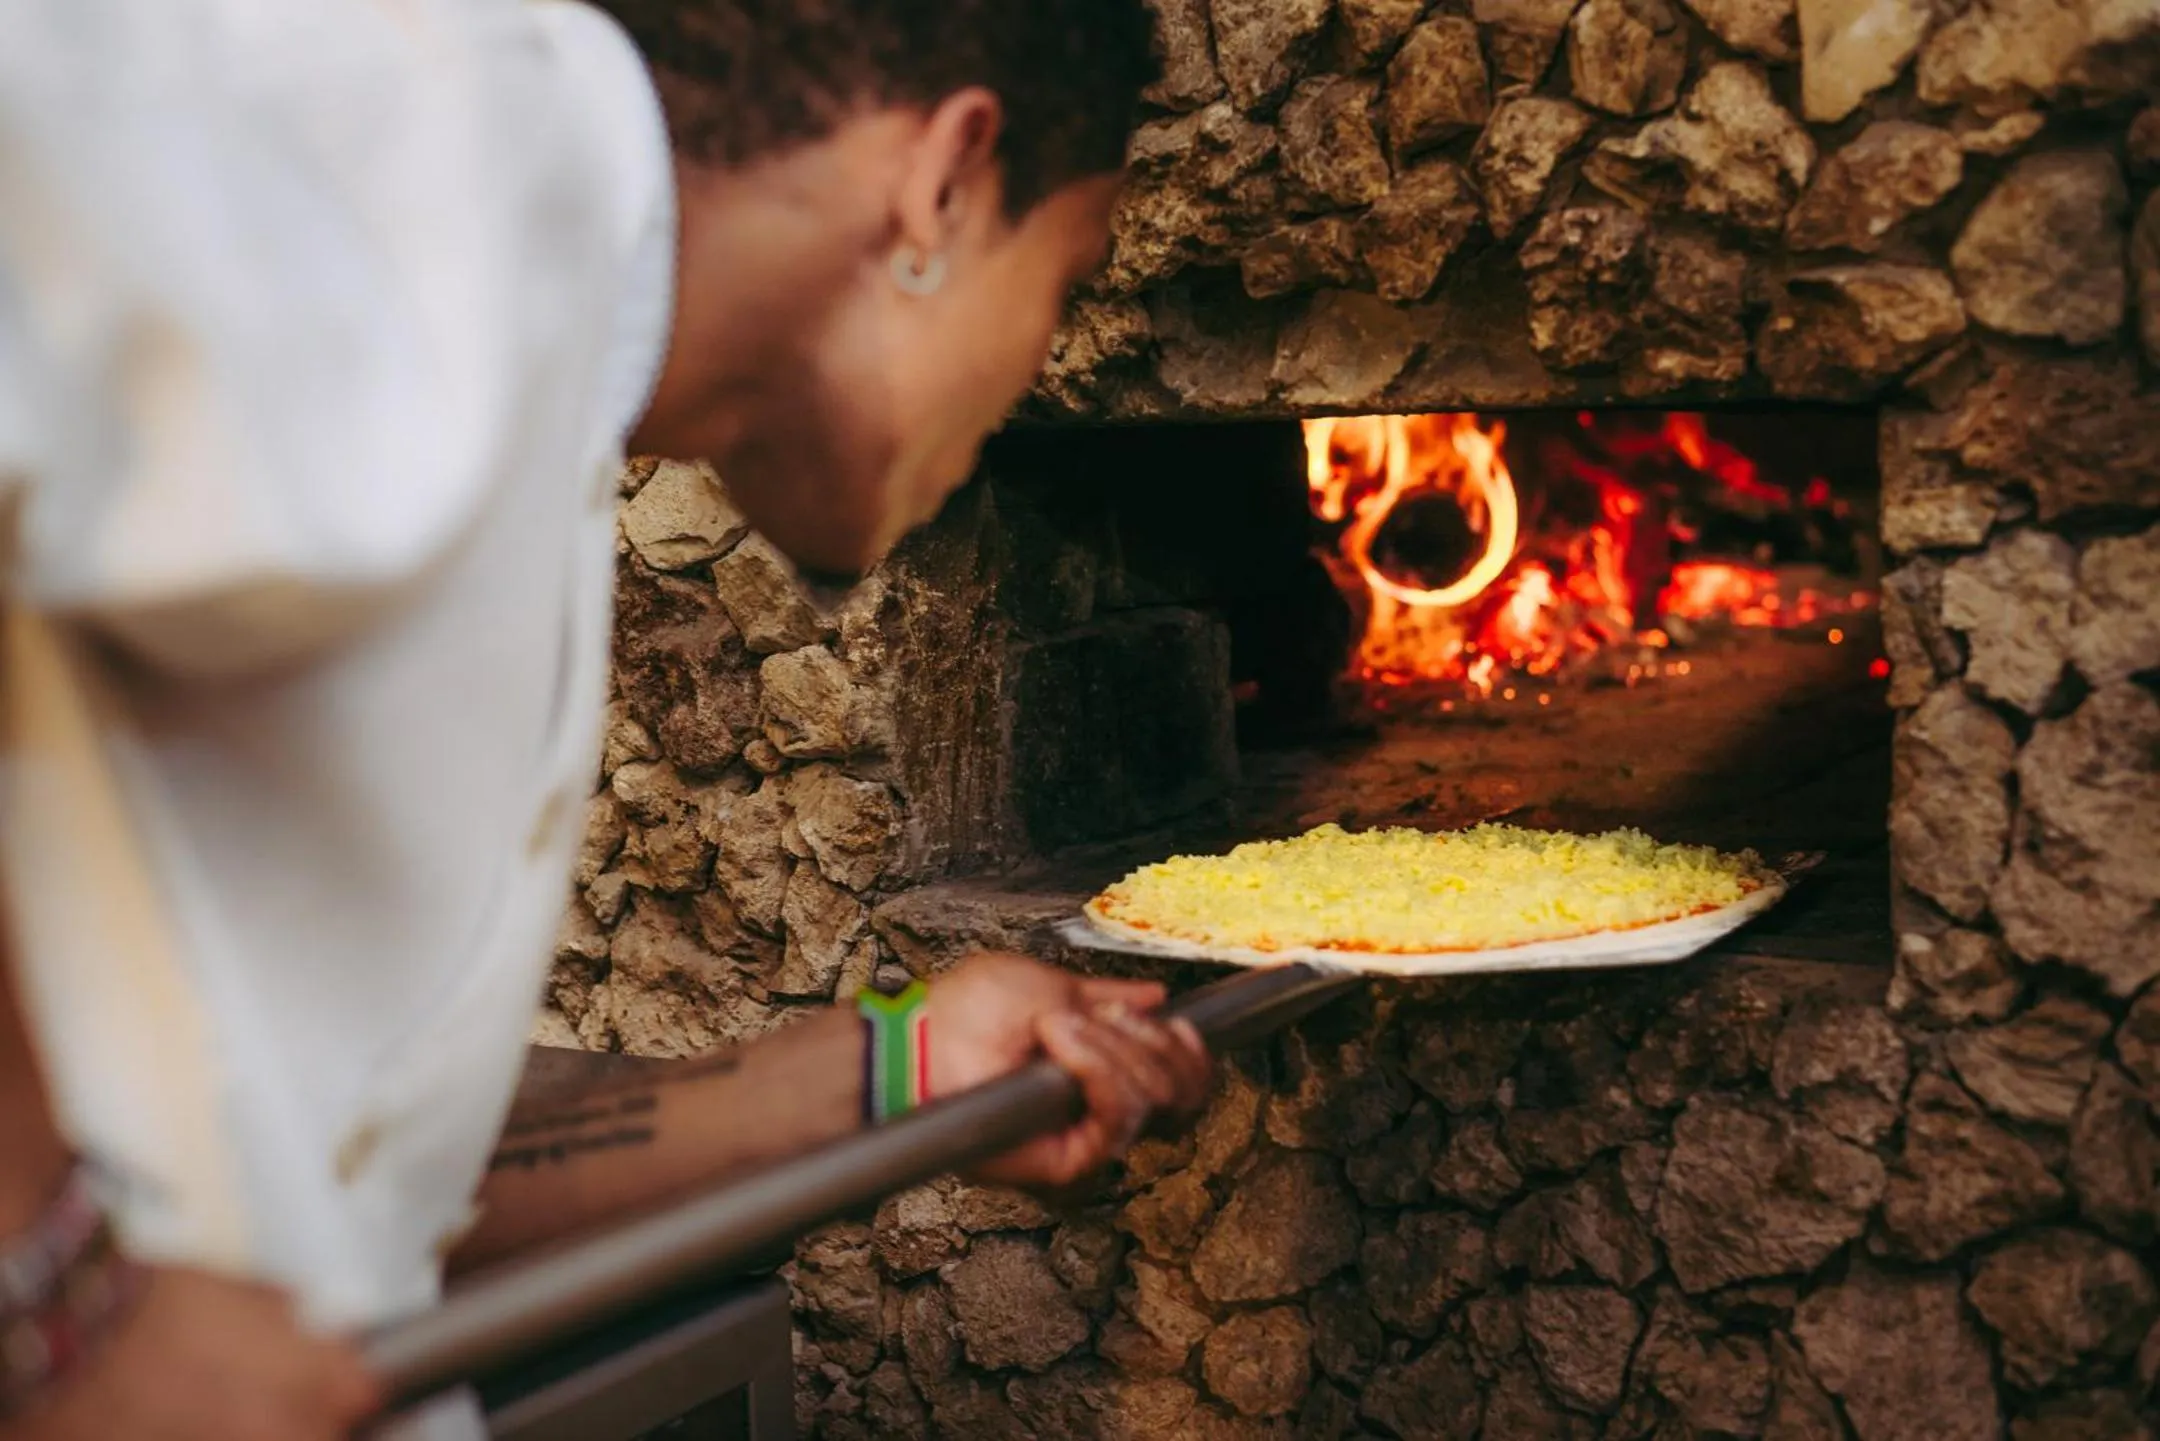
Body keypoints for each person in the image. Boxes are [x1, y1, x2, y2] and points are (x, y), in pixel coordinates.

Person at [0, 2, 1208, 1438]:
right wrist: (57, 1309)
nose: (1031, 374)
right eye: (1064, 283)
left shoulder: (549, 362)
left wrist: (893, 1075)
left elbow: (354, 1193)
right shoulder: (377, 123)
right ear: (943, 184)